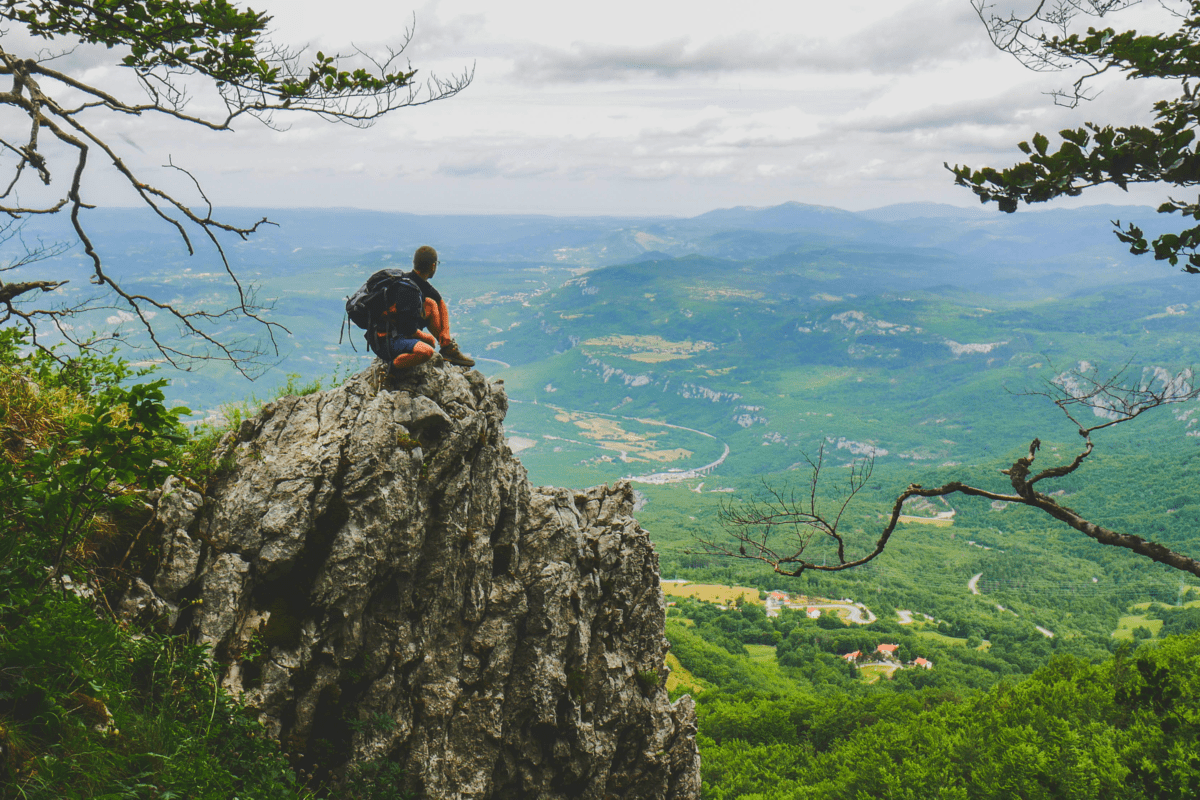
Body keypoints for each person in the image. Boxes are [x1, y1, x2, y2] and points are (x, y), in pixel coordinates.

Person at [384, 245, 474, 369]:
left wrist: (445, 332)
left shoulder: (415, 281)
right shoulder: (409, 290)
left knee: (431, 304)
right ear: (433, 266)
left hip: (398, 331)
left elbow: (440, 302)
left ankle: (447, 348)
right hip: (392, 340)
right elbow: (408, 329)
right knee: (427, 350)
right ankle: (390, 370)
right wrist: (427, 338)